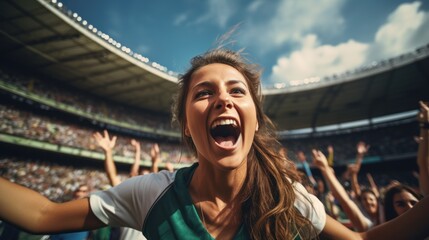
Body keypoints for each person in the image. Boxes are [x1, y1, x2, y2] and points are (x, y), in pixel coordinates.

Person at [1, 48, 429, 240]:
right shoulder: (151, 194)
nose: (222, 97)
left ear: (254, 119)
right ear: (187, 125)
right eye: (204, 92)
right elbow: (42, 215)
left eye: (236, 91)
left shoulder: (288, 201)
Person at [93, 130, 147, 240]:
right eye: (142, 177)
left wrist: (138, 150)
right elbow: (112, 176)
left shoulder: (154, 199)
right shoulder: (130, 199)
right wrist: (108, 152)